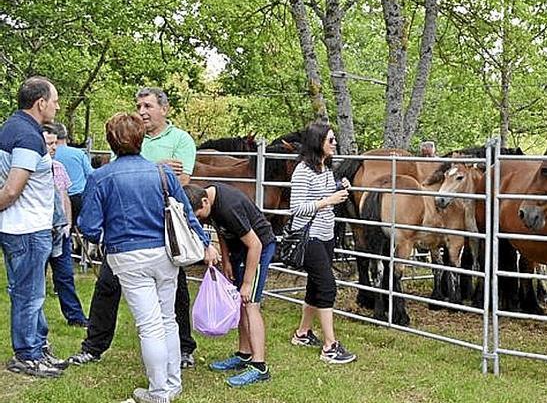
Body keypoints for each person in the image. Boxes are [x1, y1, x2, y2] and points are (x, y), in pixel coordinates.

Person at [78, 112, 219, 403]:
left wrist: (106, 235)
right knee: (167, 318)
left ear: (111, 141)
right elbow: (187, 213)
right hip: (165, 253)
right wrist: (205, 243)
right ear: (141, 138)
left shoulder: (101, 176)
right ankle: (170, 383)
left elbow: (89, 226)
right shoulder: (163, 173)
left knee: (150, 324)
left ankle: (158, 392)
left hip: (127, 256)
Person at [67, 87, 200, 368]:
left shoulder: (181, 140)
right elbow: (123, 173)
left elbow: (183, 182)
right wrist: (158, 167)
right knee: (106, 288)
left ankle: (185, 349)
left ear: (164, 108)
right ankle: (93, 347)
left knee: (177, 294)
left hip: (162, 233)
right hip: (123, 232)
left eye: (148, 106)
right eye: (138, 106)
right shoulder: (130, 139)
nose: (142, 111)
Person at [0, 76, 66, 378]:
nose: (57, 106)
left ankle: (38, 348)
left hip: (22, 226)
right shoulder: (26, 136)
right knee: (29, 295)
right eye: (54, 100)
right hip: (26, 228)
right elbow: (12, 189)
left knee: (32, 293)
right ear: (40, 103)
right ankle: (26, 356)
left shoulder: (13, 127)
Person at [184, 183, 277, 387]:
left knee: (250, 303)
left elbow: (256, 245)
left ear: (205, 202)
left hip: (257, 249)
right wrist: (226, 261)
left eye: (199, 215)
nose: (199, 219)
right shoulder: (210, 200)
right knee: (240, 303)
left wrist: (247, 283)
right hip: (239, 249)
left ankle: (260, 366)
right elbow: (221, 229)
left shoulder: (229, 206)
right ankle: (244, 354)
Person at [288, 121, 357, 364]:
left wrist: (340, 187)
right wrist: (329, 200)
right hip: (310, 237)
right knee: (327, 287)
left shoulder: (325, 169)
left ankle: (302, 333)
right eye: (331, 140)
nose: (335, 143)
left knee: (315, 286)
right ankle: (330, 346)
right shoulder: (303, 171)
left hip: (326, 235)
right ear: (318, 142)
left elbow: (323, 195)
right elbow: (297, 207)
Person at [42, 123, 89, 328]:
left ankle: (76, 317)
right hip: (39, 230)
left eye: (54, 143)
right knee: (35, 279)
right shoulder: (30, 168)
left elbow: (64, 196)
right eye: (49, 143)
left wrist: (68, 224)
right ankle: (34, 319)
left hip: (60, 229)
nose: (54, 148)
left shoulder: (58, 167)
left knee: (65, 276)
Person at [52, 122, 93, 230]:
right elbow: (91, 175)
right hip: (78, 198)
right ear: (66, 135)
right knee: (80, 231)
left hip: (57, 199)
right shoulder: (79, 154)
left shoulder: (50, 154)